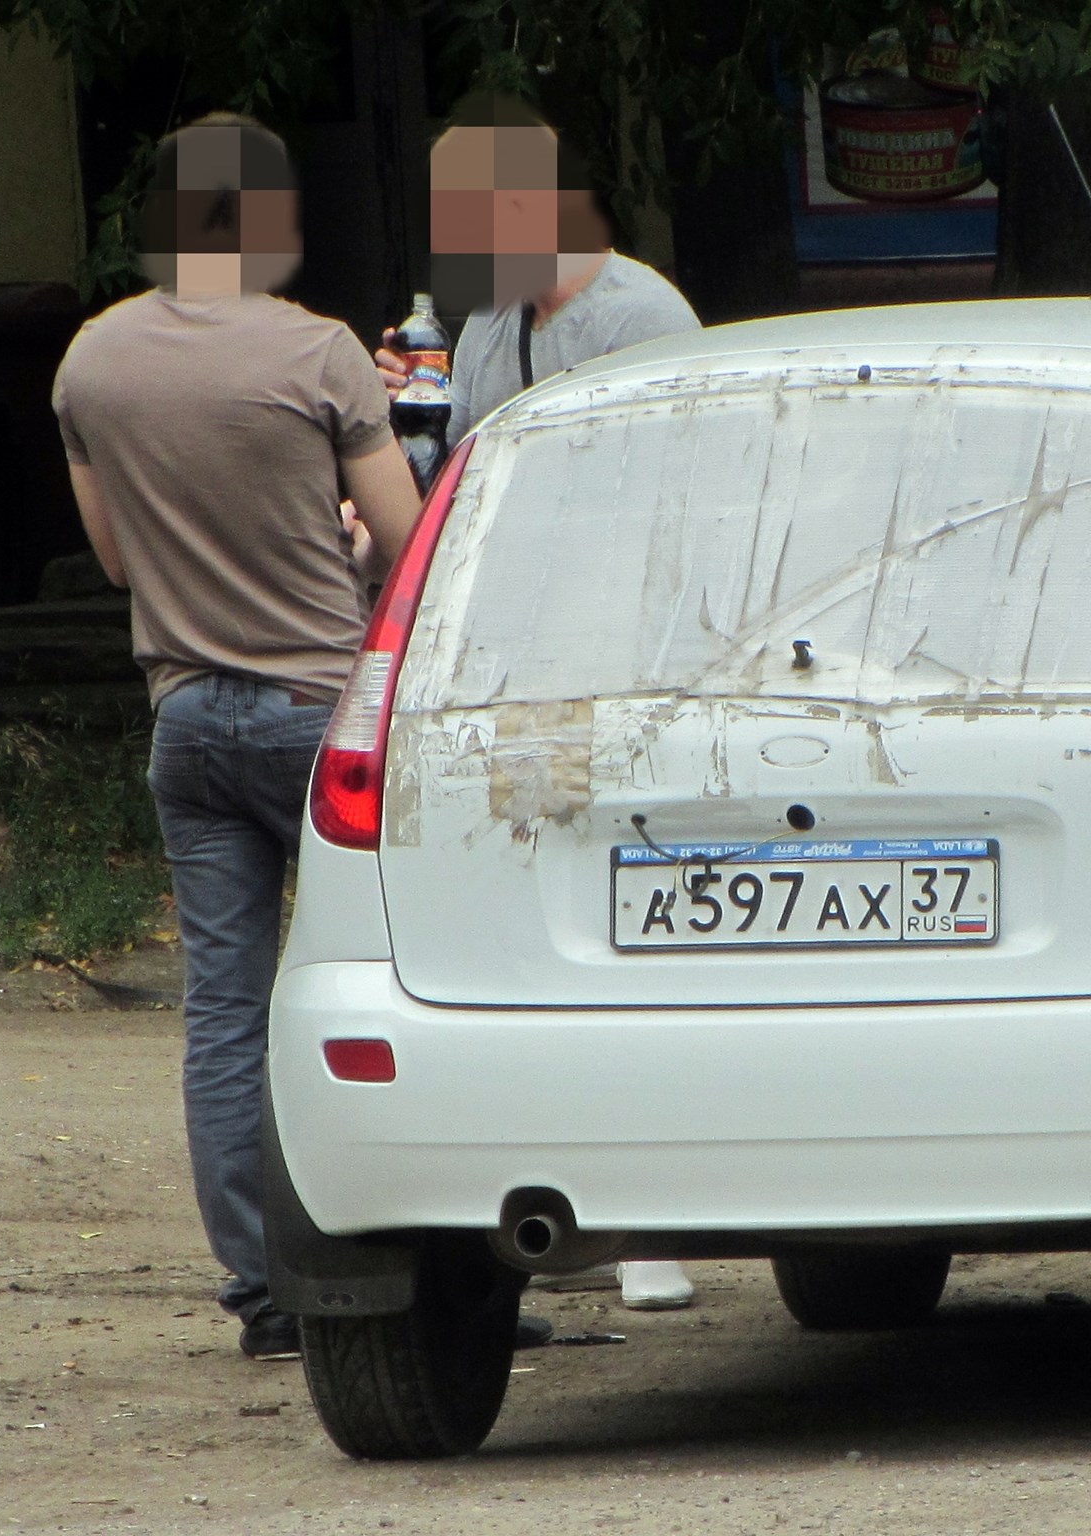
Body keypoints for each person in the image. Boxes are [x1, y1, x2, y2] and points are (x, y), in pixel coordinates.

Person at [52, 115, 423, 1361]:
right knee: (377, 985)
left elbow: (113, 559)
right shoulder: (320, 353)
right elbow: (404, 536)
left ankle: (263, 1290)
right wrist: (348, 546)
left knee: (225, 1008)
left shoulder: (91, 366)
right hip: (321, 721)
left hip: (186, 719)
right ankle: (405, 1260)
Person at [376, 92, 702, 1313]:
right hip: (519, 682)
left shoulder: (643, 312)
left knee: (648, 930)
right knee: (547, 936)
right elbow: (467, 477)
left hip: (632, 671)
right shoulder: (482, 325)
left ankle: (662, 1217)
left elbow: (688, 496)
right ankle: (568, 1200)